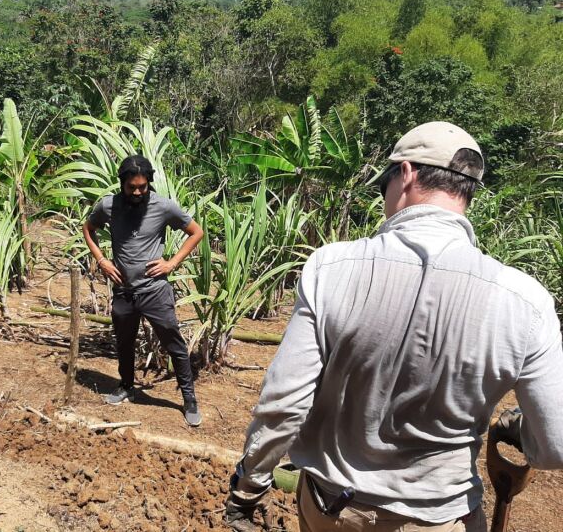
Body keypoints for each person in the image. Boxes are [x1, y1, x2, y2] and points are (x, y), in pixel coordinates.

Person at [224, 122, 563, 531]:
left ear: (406, 174)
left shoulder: (332, 268)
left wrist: (249, 485)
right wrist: (520, 430)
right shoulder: (526, 301)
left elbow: (283, 402)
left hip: (332, 511)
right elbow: (555, 447)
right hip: (439, 518)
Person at [83, 155, 205, 427]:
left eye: (142, 187)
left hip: (154, 291)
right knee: (124, 342)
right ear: (122, 184)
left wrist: (172, 263)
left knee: (174, 343)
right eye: (132, 187)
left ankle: (189, 399)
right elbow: (88, 229)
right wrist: (102, 260)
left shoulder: (164, 207)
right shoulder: (108, 206)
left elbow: (196, 232)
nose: (137, 192)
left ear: (149, 183)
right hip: (123, 291)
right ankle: (126, 386)